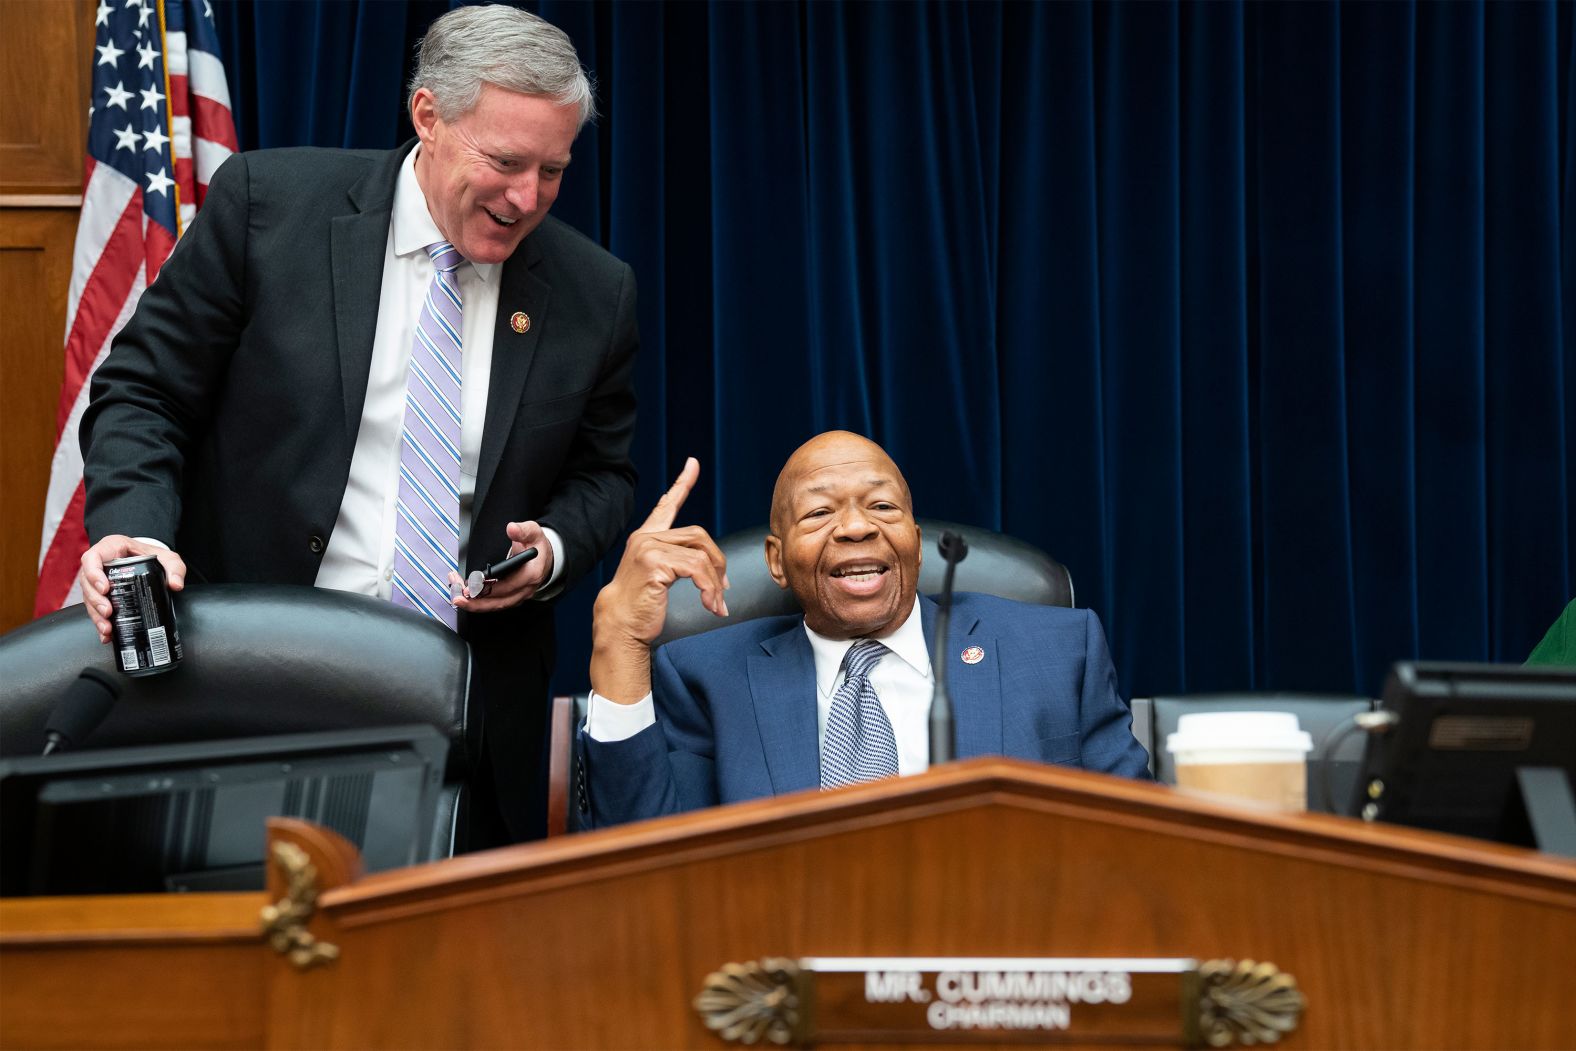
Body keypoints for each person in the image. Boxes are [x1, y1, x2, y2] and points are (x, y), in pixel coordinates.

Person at [74, 6, 638, 845]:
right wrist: (133, 533)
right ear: (428, 117)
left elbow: (606, 475)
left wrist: (551, 549)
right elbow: (143, 392)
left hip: (468, 719)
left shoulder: (596, 292)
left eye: (552, 171)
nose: (526, 199)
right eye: (506, 162)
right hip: (253, 684)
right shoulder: (270, 207)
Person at [580, 431, 1150, 827]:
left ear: (918, 545)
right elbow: (646, 861)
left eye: (882, 507)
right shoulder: (708, 678)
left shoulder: (1055, 651)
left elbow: (1138, 838)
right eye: (820, 513)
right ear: (776, 560)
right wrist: (619, 642)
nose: (856, 527)